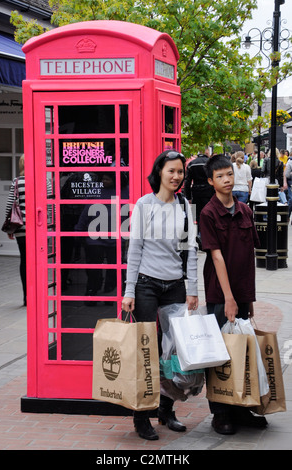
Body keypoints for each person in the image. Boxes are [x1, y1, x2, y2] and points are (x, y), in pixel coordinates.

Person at [122, 150, 198, 441]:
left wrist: (192, 288)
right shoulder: (144, 205)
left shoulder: (184, 206)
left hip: (175, 286)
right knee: (147, 352)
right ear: (160, 172)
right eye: (171, 171)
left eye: (180, 172)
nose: (177, 176)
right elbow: (135, 250)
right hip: (146, 285)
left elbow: (190, 250)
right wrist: (129, 291)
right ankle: (141, 416)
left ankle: (166, 410)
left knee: (173, 354)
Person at [199, 154, 268, 435]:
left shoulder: (245, 211)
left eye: (229, 174)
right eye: (220, 176)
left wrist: (248, 299)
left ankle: (241, 409)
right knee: (220, 355)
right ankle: (221, 413)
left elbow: (248, 257)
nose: (227, 180)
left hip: (241, 294)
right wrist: (228, 298)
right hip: (220, 295)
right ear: (211, 181)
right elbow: (217, 258)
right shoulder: (208, 214)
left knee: (242, 353)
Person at [4, 155, 26, 306]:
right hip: (39, 229)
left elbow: (10, 204)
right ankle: (39, 293)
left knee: (24, 260)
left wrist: (9, 229)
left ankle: (27, 296)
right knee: (39, 263)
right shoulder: (44, 181)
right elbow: (51, 204)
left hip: (21, 227)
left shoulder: (17, 181)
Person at [183, 147, 215, 227]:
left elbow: (187, 181)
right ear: (207, 152)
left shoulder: (192, 164)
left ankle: (195, 231)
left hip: (196, 192)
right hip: (209, 191)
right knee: (208, 213)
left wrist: (188, 196)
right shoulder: (211, 163)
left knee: (195, 215)